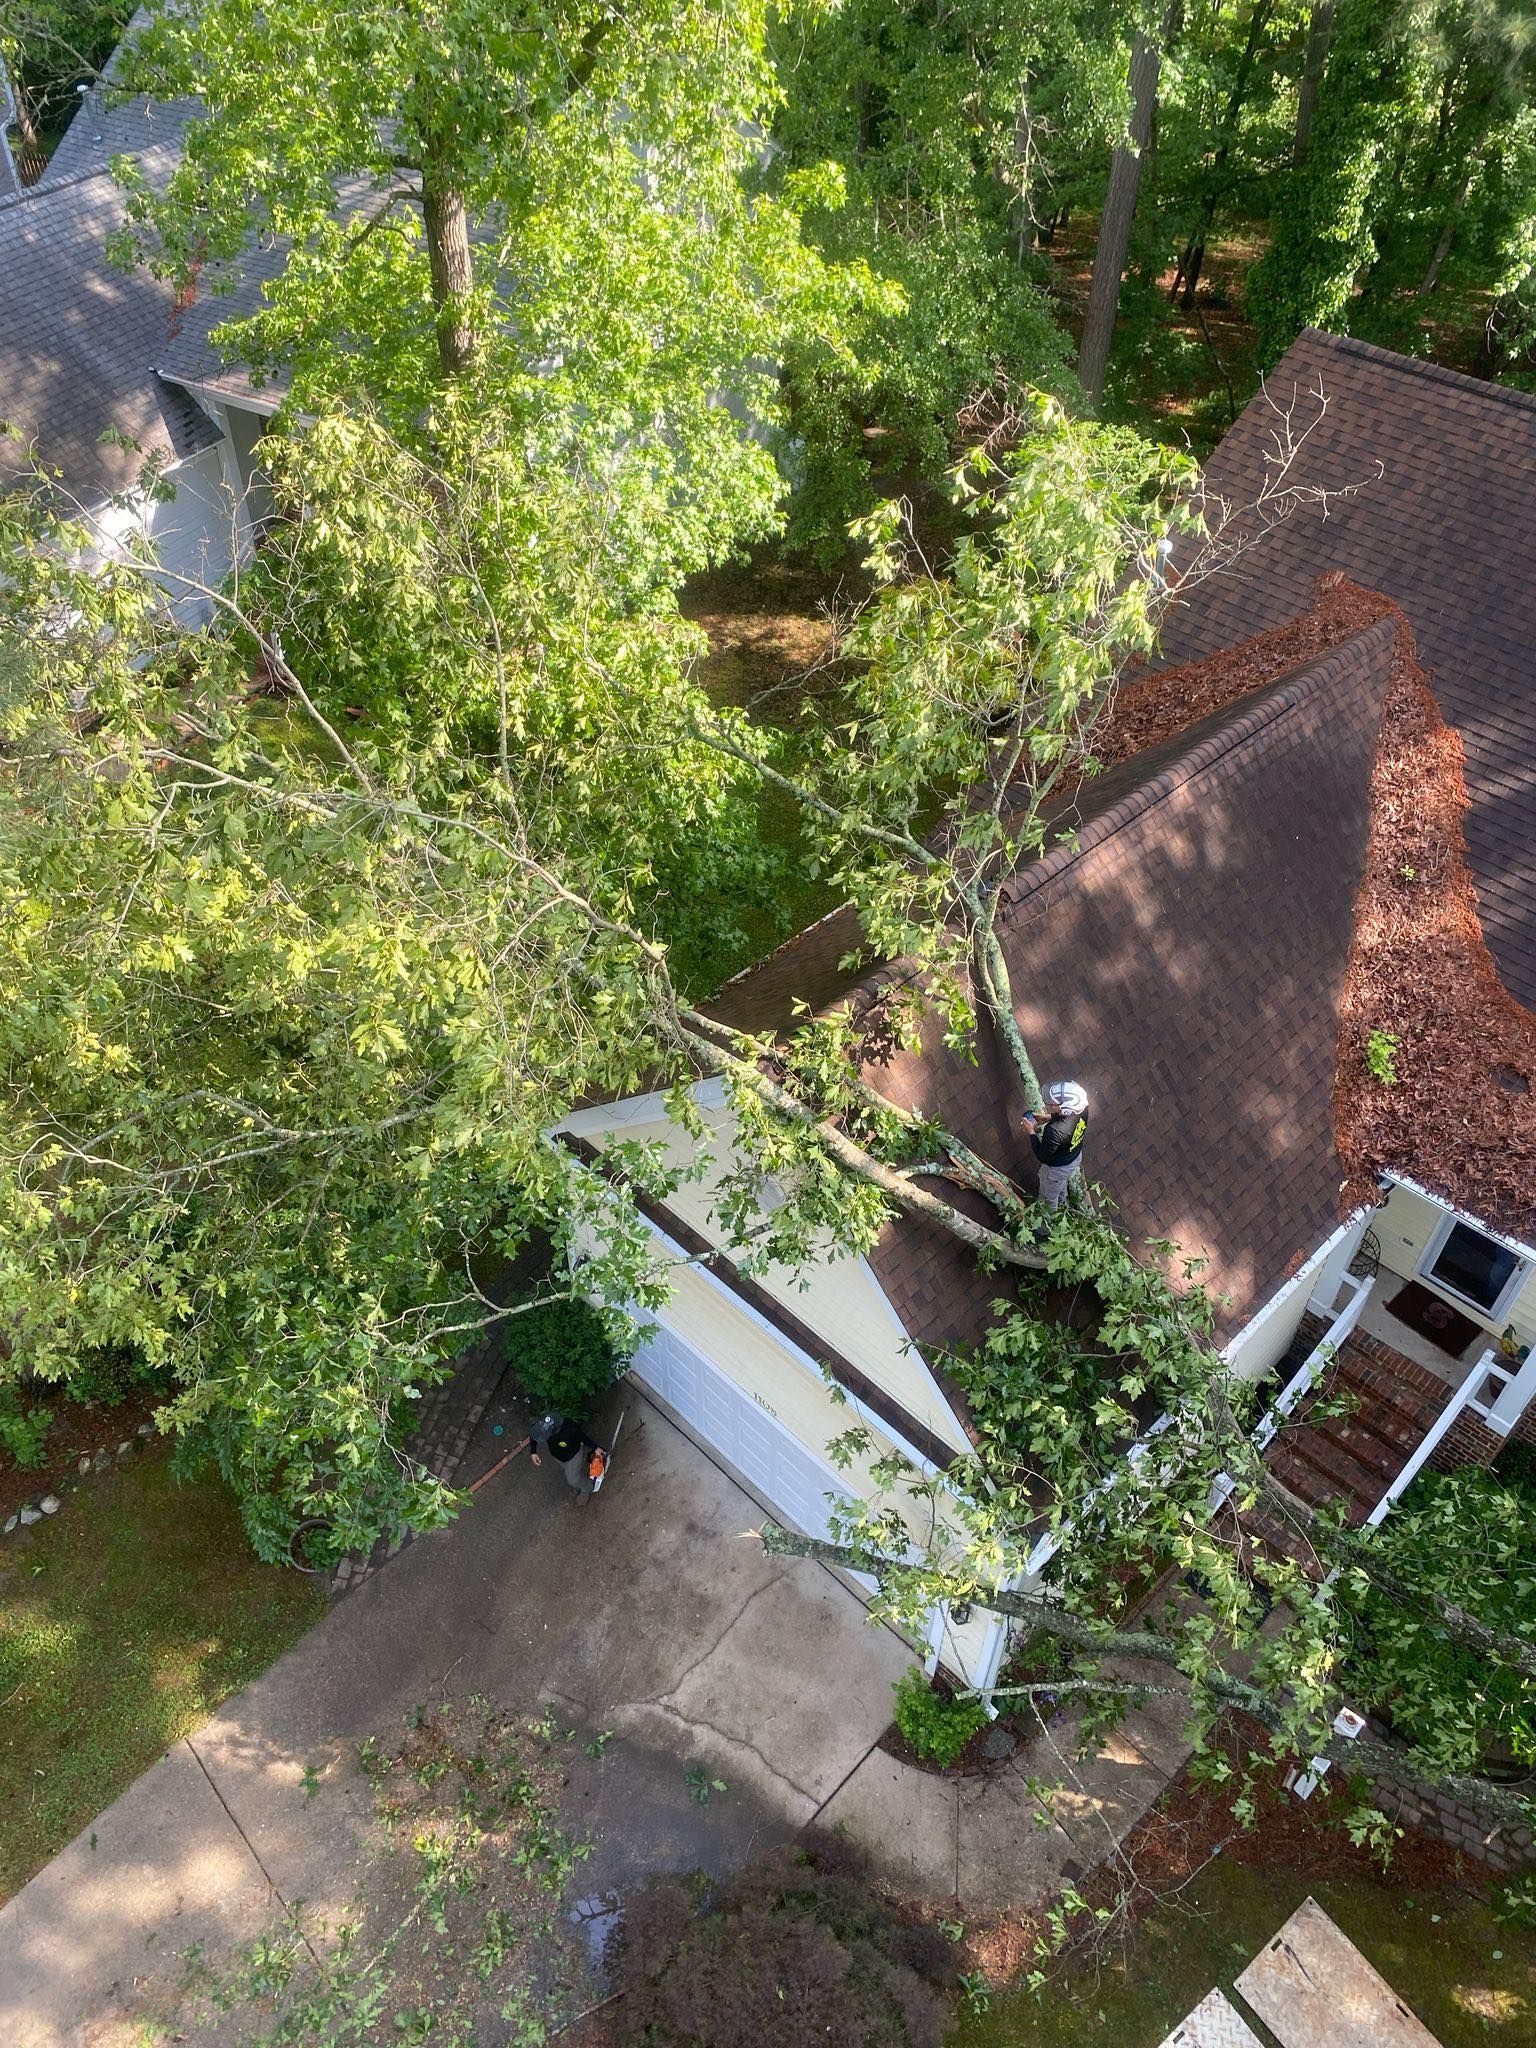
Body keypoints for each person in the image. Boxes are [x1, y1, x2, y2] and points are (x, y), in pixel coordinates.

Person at [1024, 1081, 1089, 1210]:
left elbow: (1043, 1156)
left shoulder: (1054, 1131)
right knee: (1060, 1184)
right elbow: (1068, 1119)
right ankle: (1062, 1202)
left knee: (1048, 1199)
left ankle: (1048, 1224)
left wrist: (1031, 1131)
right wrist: (1049, 1117)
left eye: (1056, 1103)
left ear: (1066, 1108)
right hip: (1074, 1157)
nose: (1052, 1103)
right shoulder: (1083, 1108)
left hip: (1056, 1169)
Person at [530, 1413, 601, 1498]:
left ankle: (588, 1487)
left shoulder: (570, 1429)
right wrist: (533, 1452)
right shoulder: (546, 1426)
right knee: (570, 1471)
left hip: (573, 1455)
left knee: (572, 1480)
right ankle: (579, 1476)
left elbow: (583, 1437)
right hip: (558, 1456)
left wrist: (596, 1447)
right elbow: (535, 1433)